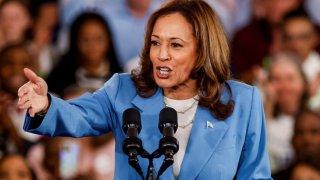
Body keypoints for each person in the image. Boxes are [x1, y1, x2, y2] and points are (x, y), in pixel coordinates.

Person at [17, 0, 272, 179]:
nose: (161, 55)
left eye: (175, 45)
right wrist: (45, 106)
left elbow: (255, 176)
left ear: (203, 50)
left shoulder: (242, 102)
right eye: (155, 42)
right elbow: (78, 115)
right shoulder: (124, 90)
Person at [46, 12, 122, 96]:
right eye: (85, 39)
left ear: (109, 40)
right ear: (75, 41)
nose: (92, 45)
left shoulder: (120, 80)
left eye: (98, 39)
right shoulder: (59, 78)